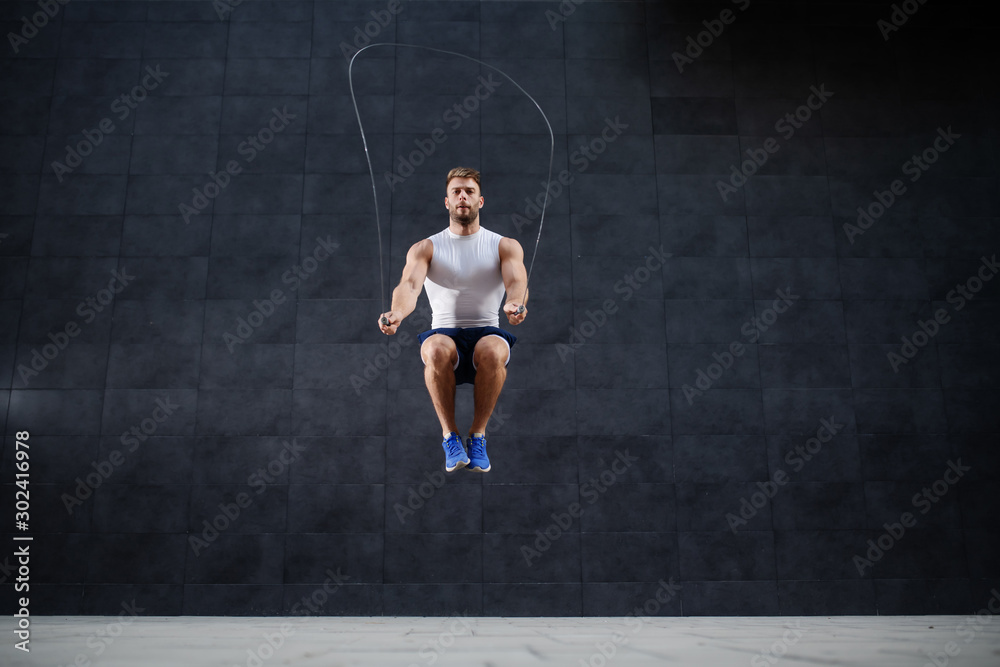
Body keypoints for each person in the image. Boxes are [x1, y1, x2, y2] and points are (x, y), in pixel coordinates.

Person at [377, 167, 528, 472]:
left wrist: (515, 304)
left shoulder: (504, 245)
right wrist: (397, 312)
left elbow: (516, 282)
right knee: (434, 349)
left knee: (493, 351)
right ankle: (450, 437)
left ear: (480, 201)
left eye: (469, 191)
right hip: (444, 333)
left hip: (487, 331)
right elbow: (409, 285)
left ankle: (478, 436)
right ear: (446, 202)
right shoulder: (426, 247)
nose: (462, 196)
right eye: (456, 191)